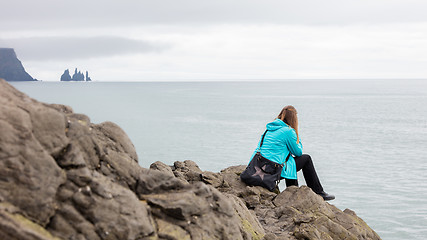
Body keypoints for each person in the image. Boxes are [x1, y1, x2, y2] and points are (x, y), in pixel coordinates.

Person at [250, 105, 335, 201]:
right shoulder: (288, 131)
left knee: (289, 160)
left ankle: (292, 192)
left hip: (259, 167)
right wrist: (298, 138)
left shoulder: (269, 130)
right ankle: (318, 191)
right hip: (273, 170)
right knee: (306, 159)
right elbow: (298, 152)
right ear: (294, 118)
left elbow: (259, 149)